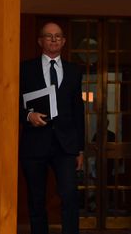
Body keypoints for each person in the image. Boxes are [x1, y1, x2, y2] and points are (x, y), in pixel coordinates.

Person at [19, 22, 85, 234]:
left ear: (64, 41)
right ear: (40, 41)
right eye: (49, 36)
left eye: (58, 36)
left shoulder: (74, 71)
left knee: (69, 196)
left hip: (65, 146)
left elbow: (78, 111)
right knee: (36, 199)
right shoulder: (25, 69)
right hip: (34, 144)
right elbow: (10, 102)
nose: (54, 39)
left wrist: (80, 149)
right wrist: (28, 116)